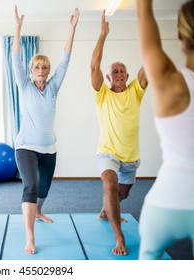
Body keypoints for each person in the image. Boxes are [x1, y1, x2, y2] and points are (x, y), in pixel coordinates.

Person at [12, 5, 79, 254]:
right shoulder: (25, 86)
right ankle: (30, 237)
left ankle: (39, 211)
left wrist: (72, 28)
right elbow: (15, 58)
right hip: (25, 147)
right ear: (31, 71)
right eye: (37, 67)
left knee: (45, 188)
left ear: (48, 71)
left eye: (44, 67)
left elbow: (66, 59)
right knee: (30, 186)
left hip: (49, 148)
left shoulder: (52, 88)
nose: (41, 70)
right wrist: (18, 28)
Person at [136, 0, 194, 259]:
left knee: (149, 256)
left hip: (166, 201)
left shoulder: (170, 80)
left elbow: (142, 12)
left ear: (180, 35)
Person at [90, 10, 148, 256]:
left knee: (123, 192)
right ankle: (119, 237)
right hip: (108, 152)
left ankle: (106, 211)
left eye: (123, 71)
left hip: (131, 156)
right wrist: (103, 34)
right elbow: (93, 65)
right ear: (108, 77)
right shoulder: (102, 94)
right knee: (110, 185)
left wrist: (146, 27)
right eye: (115, 72)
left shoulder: (136, 90)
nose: (120, 74)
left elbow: (151, 61)